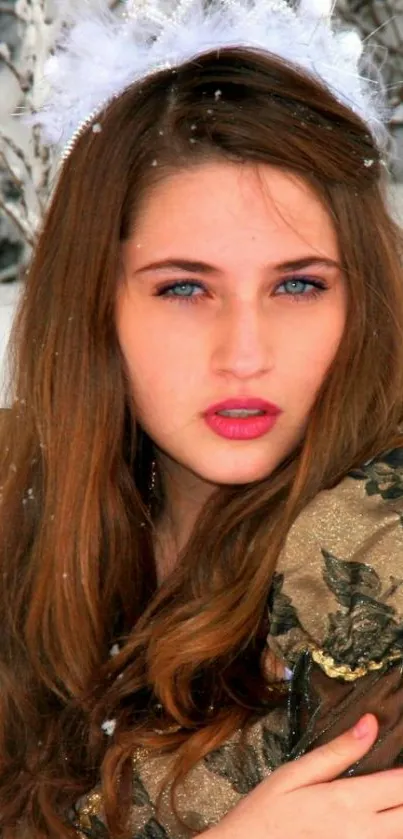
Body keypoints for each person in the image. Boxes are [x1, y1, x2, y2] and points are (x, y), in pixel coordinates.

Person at [2, 0, 403, 836]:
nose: (244, 353)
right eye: (184, 287)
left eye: (298, 284)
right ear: (94, 303)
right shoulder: (17, 504)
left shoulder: (378, 560)